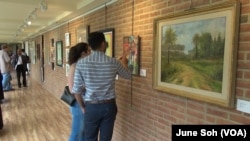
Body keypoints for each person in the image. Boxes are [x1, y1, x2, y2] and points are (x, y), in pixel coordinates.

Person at [72, 32, 131, 141]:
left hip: (91, 106)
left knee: (90, 138)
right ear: (103, 44)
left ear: (90, 46)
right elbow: (128, 75)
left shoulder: (81, 63)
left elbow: (76, 91)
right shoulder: (113, 62)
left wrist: (82, 107)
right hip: (109, 107)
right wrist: (124, 62)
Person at [68, 42, 91, 141]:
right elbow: (73, 89)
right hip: (78, 104)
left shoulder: (79, 66)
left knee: (84, 133)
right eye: (89, 51)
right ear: (83, 54)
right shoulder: (75, 67)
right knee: (77, 133)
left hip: (81, 103)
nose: (91, 53)